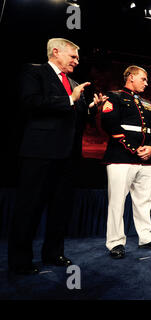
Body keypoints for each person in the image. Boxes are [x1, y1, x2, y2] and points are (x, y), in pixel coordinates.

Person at [8, 38, 107, 275]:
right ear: (56, 52)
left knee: (61, 208)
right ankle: (20, 261)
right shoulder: (34, 72)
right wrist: (69, 99)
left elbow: (77, 116)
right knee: (29, 207)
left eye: (77, 58)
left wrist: (92, 108)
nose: (76, 61)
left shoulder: (73, 82)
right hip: (39, 153)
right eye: (73, 56)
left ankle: (54, 253)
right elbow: (30, 102)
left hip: (69, 156)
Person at [101, 65, 151, 259]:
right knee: (117, 202)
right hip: (121, 158)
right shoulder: (114, 97)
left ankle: (146, 237)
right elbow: (109, 125)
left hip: (145, 160)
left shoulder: (147, 103)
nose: (146, 83)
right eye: (143, 79)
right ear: (130, 77)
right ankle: (115, 243)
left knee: (144, 201)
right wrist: (133, 148)